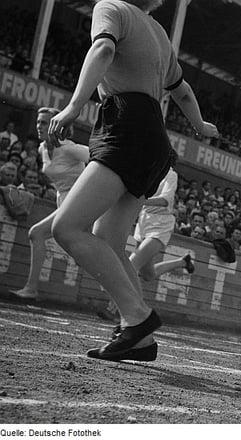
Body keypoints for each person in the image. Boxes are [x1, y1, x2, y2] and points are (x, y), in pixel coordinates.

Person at [47, 0, 218, 362]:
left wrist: (74, 106)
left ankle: (136, 319)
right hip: (155, 138)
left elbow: (104, 48)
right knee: (108, 239)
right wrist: (200, 126)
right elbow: (182, 90)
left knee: (67, 227)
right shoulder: (158, 32)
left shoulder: (110, 7)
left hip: (125, 127)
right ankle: (140, 341)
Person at [97, 149, 195, 323]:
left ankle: (113, 309)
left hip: (161, 224)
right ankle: (183, 262)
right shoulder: (147, 173)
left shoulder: (170, 175)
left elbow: (165, 199)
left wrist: (140, 201)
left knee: (131, 264)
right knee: (148, 274)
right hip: (143, 222)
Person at [11, 107, 89, 300]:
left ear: (57, 125)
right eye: (38, 122)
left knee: (36, 233)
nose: (39, 126)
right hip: (63, 201)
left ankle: (31, 289)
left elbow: (100, 159)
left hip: (81, 201)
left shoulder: (69, 148)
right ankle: (115, 303)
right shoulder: (42, 148)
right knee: (83, 256)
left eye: (44, 122)